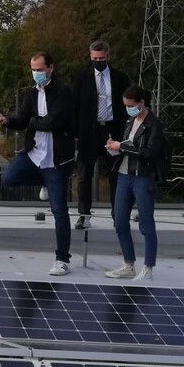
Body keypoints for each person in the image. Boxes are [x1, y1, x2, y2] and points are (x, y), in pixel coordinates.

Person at [0, 52, 78, 275]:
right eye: (33, 70)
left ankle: (62, 259)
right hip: (34, 154)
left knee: (59, 210)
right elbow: (22, 121)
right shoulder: (30, 93)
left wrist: (32, 122)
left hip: (55, 160)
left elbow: (52, 122)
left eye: (40, 69)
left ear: (50, 68)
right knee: (8, 178)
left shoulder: (63, 92)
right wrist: (6, 120)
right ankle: (44, 183)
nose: (36, 73)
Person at [105, 84, 166, 281]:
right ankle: (128, 263)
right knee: (119, 220)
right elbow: (126, 144)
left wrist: (122, 148)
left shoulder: (154, 124)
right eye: (126, 105)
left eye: (131, 105)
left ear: (141, 102)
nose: (128, 109)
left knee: (146, 222)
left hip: (142, 177)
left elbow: (149, 152)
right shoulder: (130, 121)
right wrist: (115, 147)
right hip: (124, 175)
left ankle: (148, 266)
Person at [70, 41, 129, 230]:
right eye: (95, 58)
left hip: (112, 131)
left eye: (101, 58)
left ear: (108, 56)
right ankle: (84, 215)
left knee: (116, 174)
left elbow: (127, 105)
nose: (98, 61)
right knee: (84, 175)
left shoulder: (120, 78)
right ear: (90, 57)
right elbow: (74, 106)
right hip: (88, 132)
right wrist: (75, 133)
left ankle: (118, 215)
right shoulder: (82, 77)